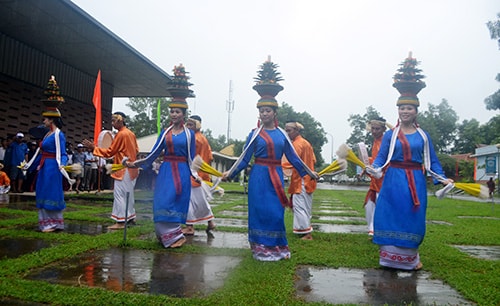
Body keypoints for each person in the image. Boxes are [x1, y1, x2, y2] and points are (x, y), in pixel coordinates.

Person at [222, 102, 318, 261]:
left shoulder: (282, 134)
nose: (264, 113)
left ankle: (277, 247)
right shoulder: (254, 134)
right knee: (259, 211)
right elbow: (244, 158)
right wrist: (231, 173)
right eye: (261, 111)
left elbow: (294, 158)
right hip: (259, 177)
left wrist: (309, 172)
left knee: (276, 212)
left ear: (275, 113)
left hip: (276, 176)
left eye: (267, 110)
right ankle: (260, 248)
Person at [367, 97, 453, 271]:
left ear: (416, 112)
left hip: (415, 180)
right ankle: (388, 259)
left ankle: (412, 260)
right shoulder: (391, 135)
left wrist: (443, 178)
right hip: (392, 180)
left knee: (412, 217)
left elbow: (432, 161)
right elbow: (381, 157)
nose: (405, 111)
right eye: (402, 108)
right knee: (389, 215)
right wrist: (374, 168)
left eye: (409, 109)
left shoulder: (423, 136)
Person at [127, 101, 196, 248]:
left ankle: (177, 236)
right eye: (172, 111)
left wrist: (195, 174)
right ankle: (165, 235)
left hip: (182, 170)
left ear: (183, 114)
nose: (174, 114)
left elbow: (192, 157)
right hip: (166, 170)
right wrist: (137, 164)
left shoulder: (189, 134)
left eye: (177, 112)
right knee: (162, 201)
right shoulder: (165, 133)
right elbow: (154, 153)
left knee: (176, 201)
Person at [82, 112, 139, 229]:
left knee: (120, 195)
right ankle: (131, 217)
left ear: (120, 120)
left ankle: (121, 221)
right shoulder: (131, 134)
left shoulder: (121, 134)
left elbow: (110, 152)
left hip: (123, 169)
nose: (112, 123)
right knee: (129, 194)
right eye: (112, 121)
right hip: (132, 168)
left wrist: (94, 148)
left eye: (114, 121)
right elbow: (136, 150)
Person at [24, 93, 70, 233]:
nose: (43, 121)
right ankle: (46, 223)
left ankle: (54, 223)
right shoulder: (47, 135)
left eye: (45, 119)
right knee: (42, 192)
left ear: (51, 120)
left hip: (53, 167)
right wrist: (28, 165)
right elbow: (41, 153)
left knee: (51, 193)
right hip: (44, 167)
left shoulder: (59, 135)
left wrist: (61, 164)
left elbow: (63, 153)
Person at [282, 121, 317, 240]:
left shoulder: (296, 144)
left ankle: (307, 233)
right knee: (305, 207)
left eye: (289, 131)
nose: (287, 133)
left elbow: (291, 162)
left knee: (299, 206)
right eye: (285, 130)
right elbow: (313, 160)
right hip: (309, 179)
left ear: (296, 131)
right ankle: (304, 230)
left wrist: (275, 165)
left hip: (301, 179)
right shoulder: (306, 143)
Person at [183, 115, 216, 235]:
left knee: (188, 200)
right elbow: (210, 158)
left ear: (197, 125)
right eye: (187, 124)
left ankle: (190, 227)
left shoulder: (194, 139)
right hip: (202, 175)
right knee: (201, 201)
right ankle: (210, 222)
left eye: (190, 125)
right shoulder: (204, 139)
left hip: (193, 175)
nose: (187, 126)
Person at [363, 117, 390, 237]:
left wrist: (376, 170)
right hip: (375, 180)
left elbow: (388, 161)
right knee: (369, 206)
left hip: (384, 180)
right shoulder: (375, 141)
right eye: (372, 128)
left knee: (381, 208)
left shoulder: (386, 141)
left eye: (377, 129)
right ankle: (373, 230)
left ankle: (379, 232)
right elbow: (375, 160)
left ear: (383, 129)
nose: (374, 131)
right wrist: (366, 167)